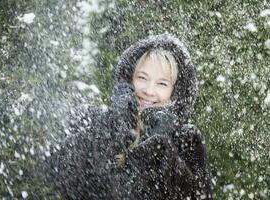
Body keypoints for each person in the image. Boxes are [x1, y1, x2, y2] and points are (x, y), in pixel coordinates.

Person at [46, 33, 213, 199]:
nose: (148, 91)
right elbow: (62, 177)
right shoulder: (97, 122)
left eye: (162, 83)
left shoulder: (186, 140)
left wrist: (160, 149)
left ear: (174, 91)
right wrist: (113, 126)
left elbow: (198, 195)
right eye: (142, 78)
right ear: (129, 79)